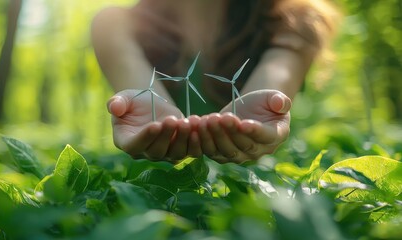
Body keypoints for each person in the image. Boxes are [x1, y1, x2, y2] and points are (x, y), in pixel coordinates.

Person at [91, 0, 340, 163]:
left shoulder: (299, 21)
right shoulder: (115, 25)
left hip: (262, 203)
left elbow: (271, 90)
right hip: (155, 201)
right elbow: (143, 95)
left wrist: (257, 119)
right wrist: (149, 114)